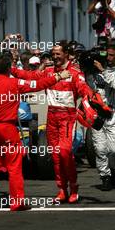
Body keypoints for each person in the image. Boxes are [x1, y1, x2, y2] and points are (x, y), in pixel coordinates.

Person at [0, 54, 70, 211]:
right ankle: (17, 202)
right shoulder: (15, 83)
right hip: (7, 128)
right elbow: (37, 84)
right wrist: (58, 76)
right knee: (14, 164)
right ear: (9, 69)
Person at [11, 40, 93, 203]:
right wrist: (11, 69)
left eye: (58, 54)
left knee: (64, 152)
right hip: (52, 117)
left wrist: (89, 103)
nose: (55, 57)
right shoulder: (48, 72)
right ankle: (62, 189)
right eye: (53, 54)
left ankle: (74, 187)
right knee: (55, 156)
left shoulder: (75, 73)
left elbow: (85, 90)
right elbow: (30, 76)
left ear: (66, 54)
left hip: (68, 117)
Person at [91, 42, 115, 190]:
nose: (108, 57)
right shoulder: (92, 71)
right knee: (100, 149)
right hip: (97, 113)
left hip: (112, 113)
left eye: (112, 55)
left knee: (113, 149)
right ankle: (105, 177)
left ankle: (113, 171)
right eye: (107, 55)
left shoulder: (107, 71)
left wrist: (104, 71)